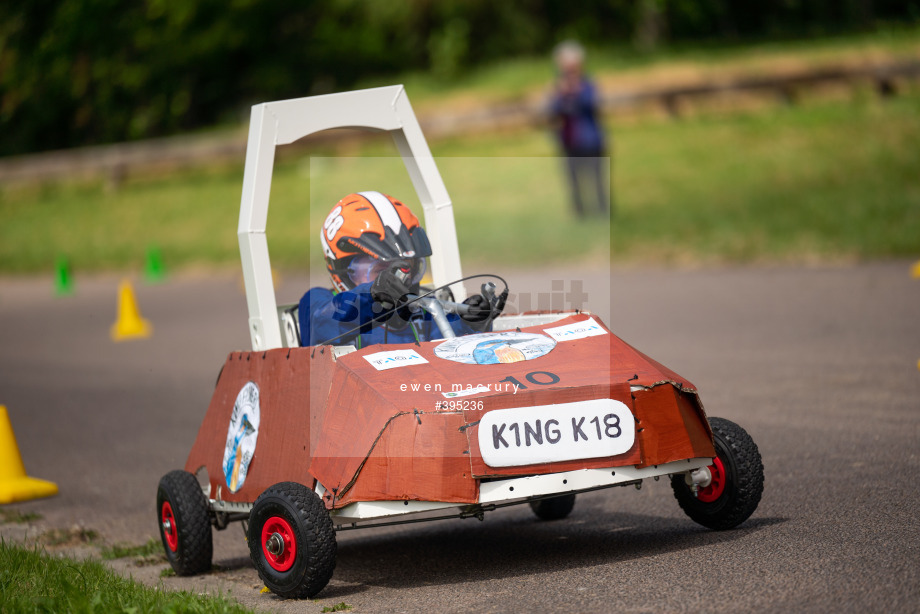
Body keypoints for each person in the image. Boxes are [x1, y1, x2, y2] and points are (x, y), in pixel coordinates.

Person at [299, 191, 497, 348]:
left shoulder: (420, 311)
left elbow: (447, 350)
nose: (401, 282)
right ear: (342, 269)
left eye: (408, 270)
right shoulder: (315, 303)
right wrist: (373, 295)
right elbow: (323, 322)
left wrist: (470, 325)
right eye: (380, 272)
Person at [550, 40, 610, 217]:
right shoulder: (559, 87)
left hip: (590, 141)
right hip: (569, 142)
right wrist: (561, 94)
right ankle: (580, 214)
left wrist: (575, 91)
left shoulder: (588, 84)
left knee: (597, 180)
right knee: (573, 182)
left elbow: (591, 104)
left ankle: (603, 214)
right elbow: (551, 110)